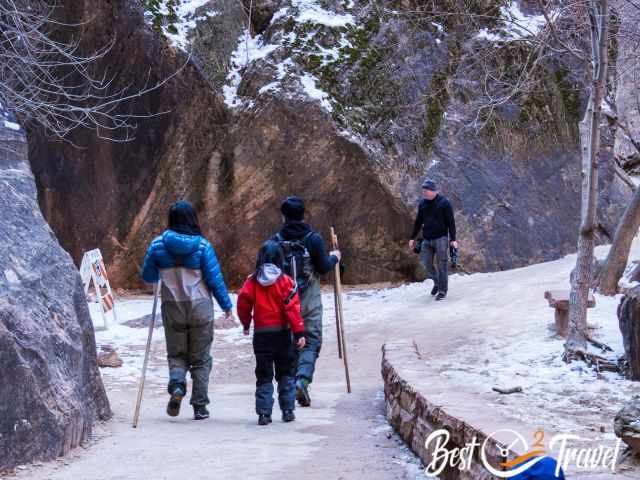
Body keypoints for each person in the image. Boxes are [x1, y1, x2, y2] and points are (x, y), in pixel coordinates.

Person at [141, 200, 233, 420]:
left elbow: (148, 276)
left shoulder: (157, 246)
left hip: (172, 306)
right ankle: (200, 406)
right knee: (201, 359)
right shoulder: (202, 246)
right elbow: (214, 279)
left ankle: (178, 387)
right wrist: (226, 306)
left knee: (177, 354)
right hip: (200, 306)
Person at [272, 196, 341, 407]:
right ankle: (302, 379)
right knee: (311, 341)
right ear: (304, 214)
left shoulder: (275, 241)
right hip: (309, 299)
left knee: (290, 342)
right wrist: (335, 257)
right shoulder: (313, 239)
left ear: (283, 216)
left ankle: (292, 383)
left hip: (284, 301)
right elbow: (322, 267)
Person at [236, 241, 306, 425]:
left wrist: (246, 323)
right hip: (283, 334)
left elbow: (243, 303)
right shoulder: (286, 282)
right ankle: (288, 410)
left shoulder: (252, 281)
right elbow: (293, 309)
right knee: (286, 373)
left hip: (262, 335)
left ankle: (264, 413)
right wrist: (299, 333)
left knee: (264, 375)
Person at [409, 180, 457, 301]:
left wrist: (453, 239)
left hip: (441, 238)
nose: (424, 193)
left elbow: (451, 223)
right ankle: (437, 282)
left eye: (427, 190)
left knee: (442, 265)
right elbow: (418, 222)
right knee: (427, 264)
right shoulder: (422, 204)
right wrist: (412, 238)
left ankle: (442, 291)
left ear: (434, 190)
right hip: (426, 239)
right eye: (423, 191)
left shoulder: (444, 203)